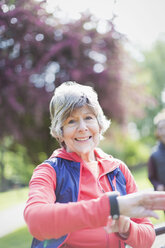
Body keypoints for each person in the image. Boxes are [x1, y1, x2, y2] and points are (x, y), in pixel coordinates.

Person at [24, 82, 165, 248]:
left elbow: (147, 238)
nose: (83, 128)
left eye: (88, 118)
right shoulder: (49, 171)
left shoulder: (118, 169)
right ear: (60, 131)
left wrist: (127, 228)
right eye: (71, 121)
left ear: (99, 124)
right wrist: (112, 207)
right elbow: (36, 221)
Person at [148, 109, 165, 191]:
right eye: (161, 129)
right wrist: (158, 185)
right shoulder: (154, 154)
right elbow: (151, 177)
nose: (164, 132)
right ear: (157, 132)